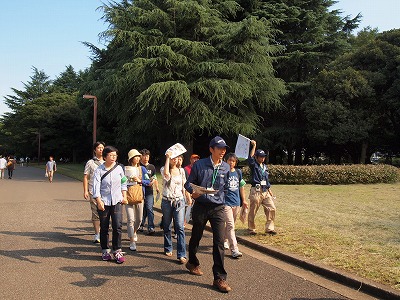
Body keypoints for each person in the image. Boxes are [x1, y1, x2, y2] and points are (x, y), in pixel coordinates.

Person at [184, 136, 232, 293]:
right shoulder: (200, 164)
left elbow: (225, 188)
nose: (223, 151)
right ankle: (192, 262)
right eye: (220, 148)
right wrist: (194, 192)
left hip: (218, 208)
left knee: (219, 241)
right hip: (201, 206)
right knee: (196, 236)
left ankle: (219, 278)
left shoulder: (225, 167)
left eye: (224, 149)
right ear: (211, 149)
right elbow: (188, 183)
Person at [93, 146, 128, 264]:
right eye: (111, 155)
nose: (113, 158)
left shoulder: (119, 169)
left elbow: (124, 183)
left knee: (117, 226)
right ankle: (105, 250)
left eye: (115, 155)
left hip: (117, 201)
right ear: (105, 157)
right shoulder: (99, 170)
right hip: (104, 202)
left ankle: (117, 250)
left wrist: (124, 196)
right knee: (104, 227)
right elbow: (96, 188)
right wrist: (99, 201)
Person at [161, 150, 190, 263]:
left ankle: (181, 254)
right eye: (173, 157)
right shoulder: (164, 169)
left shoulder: (182, 171)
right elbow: (167, 175)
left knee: (180, 227)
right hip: (167, 201)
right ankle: (168, 247)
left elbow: (184, 185)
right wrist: (167, 158)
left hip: (179, 201)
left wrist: (188, 197)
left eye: (177, 157)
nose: (175, 159)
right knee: (167, 225)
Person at [247, 140, 276, 235]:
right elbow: (250, 158)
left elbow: (266, 180)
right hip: (256, 190)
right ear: (256, 157)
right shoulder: (253, 164)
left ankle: (269, 228)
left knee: (271, 208)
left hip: (265, 190)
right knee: (253, 210)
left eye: (263, 157)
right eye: (260, 156)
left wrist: (270, 190)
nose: (262, 158)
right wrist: (254, 146)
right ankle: (251, 228)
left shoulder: (265, 167)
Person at [223, 153, 248, 258]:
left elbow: (241, 187)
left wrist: (244, 200)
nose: (231, 163)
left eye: (233, 161)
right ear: (226, 161)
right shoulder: (223, 172)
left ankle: (224, 239)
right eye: (229, 160)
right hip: (226, 203)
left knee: (231, 224)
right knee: (231, 225)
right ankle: (234, 249)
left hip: (236, 202)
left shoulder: (238, 172)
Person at [125, 149, 150, 251]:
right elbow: (121, 181)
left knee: (139, 219)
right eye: (135, 156)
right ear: (131, 158)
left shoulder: (142, 169)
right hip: (128, 195)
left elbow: (148, 181)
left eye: (138, 156)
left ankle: (134, 231)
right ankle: (132, 241)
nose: (138, 158)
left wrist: (140, 180)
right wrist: (126, 179)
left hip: (140, 196)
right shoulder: (125, 169)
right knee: (130, 219)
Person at [83, 141, 105, 243]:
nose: (101, 149)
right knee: (95, 213)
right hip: (93, 191)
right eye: (99, 148)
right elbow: (86, 177)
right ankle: (97, 234)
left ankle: (103, 232)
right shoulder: (90, 163)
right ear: (95, 150)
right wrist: (85, 191)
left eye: (102, 148)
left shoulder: (107, 162)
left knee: (104, 213)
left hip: (105, 192)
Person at [138, 149, 160, 235]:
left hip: (149, 191)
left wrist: (157, 187)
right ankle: (141, 224)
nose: (146, 157)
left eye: (147, 156)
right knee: (142, 209)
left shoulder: (152, 167)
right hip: (140, 190)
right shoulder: (138, 166)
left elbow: (154, 177)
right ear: (141, 157)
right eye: (144, 155)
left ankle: (151, 227)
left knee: (150, 208)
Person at [183, 154, 200, 225]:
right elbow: (185, 183)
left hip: (196, 192)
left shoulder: (199, 168)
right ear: (190, 160)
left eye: (197, 159)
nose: (195, 160)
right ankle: (182, 224)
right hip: (187, 191)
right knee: (185, 209)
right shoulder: (186, 169)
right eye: (194, 159)